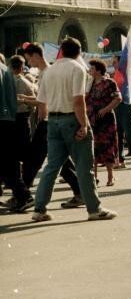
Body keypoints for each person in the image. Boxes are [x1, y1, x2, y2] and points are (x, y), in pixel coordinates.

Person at [31, 38, 117, 222]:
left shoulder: (50, 70)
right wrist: (84, 124)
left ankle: (39, 209)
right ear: (79, 52)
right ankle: (94, 209)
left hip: (52, 120)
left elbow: (41, 101)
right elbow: (78, 101)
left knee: (52, 167)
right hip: (72, 119)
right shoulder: (77, 69)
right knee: (85, 167)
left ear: (61, 51)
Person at [21, 43, 84, 208]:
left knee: (35, 159)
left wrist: (26, 100)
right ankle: (80, 192)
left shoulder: (48, 73)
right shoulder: (45, 72)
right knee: (59, 161)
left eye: (28, 59)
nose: (28, 63)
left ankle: (24, 194)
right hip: (51, 120)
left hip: (51, 121)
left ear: (35, 55)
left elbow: (45, 101)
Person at [0, 56, 33, 213]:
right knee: (8, 161)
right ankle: (23, 195)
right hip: (9, 120)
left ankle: (23, 195)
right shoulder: (6, 71)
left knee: (7, 161)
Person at [86, 60, 121, 186]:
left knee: (107, 147)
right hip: (92, 120)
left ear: (99, 70)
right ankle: (93, 177)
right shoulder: (89, 83)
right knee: (93, 148)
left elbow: (118, 98)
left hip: (106, 121)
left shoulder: (109, 82)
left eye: (92, 68)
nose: (90, 70)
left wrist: (106, 109)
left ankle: (110, 176)